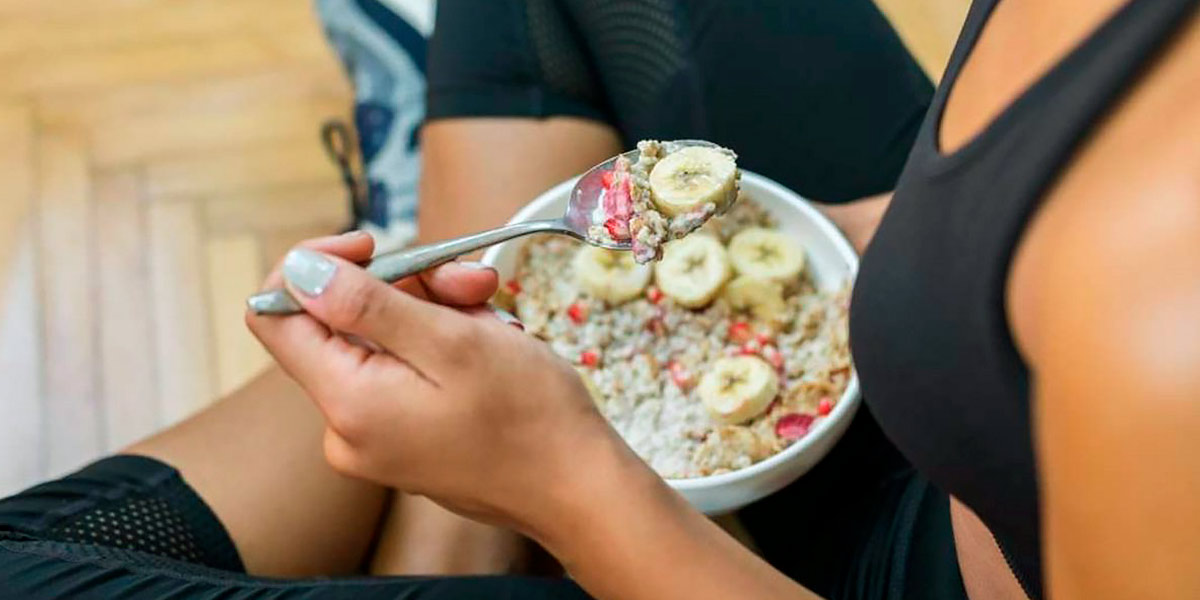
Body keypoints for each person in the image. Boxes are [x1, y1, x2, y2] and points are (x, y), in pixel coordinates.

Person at [5, 2, 1199, 600]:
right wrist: (876, 249)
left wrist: (563, 485)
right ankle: (457, 495)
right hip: (941, 361)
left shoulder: (1163, 338)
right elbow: (1022, 216)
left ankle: (470, 517)